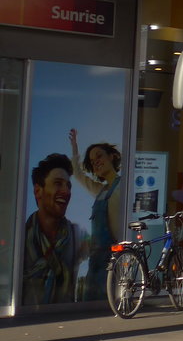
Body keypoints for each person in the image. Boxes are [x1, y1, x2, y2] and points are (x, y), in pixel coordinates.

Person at [23, 153, 83, 305]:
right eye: (58, 183)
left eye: (68, 185)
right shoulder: (21, 237)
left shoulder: (77, 236)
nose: (66, 191)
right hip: (27, 314)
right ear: (38, 191)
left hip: (66, 314)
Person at [69, 129, 123, 300]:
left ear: (112, 156)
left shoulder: (124, 186)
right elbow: (77, 174)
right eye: (92, 161)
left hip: (113, 258)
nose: (96, 162)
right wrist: (75, 149)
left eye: (99, 156)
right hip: (95, 262)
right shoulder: (100, 191)